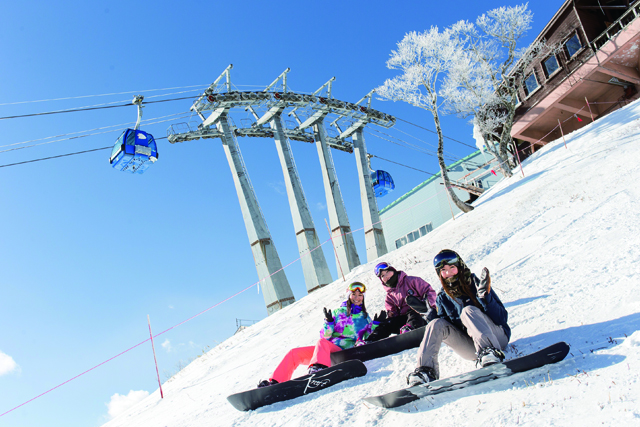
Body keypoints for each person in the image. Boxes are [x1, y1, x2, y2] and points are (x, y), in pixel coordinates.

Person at [406, 249, 511, 386]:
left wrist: (486, 298)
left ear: (459, 267)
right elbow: (446, 329)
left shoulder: (475, 284)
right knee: (436, 323)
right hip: (472, 348)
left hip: (497, 339)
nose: (448, 273)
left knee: (468, 311)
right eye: (443, 270)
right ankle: (425, 371)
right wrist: (431, 316)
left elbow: (502, 319)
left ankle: (490, 352)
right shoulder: (443, 297)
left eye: (452, 267)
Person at [257, 282, 381, 388]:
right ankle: (275, 382)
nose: (357, 298)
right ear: (349, 296)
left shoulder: (364, 318)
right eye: (354, 294)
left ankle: (319, 369)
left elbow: (368, 337)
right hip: (326, 352)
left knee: (321, 343)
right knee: (294, 353)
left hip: (344, 352)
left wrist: (375, 324)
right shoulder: (338, 312)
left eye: (360, 295)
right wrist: (329, 322)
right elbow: (325, 336)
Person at [364, 262, 437, 343]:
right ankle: (370, 340)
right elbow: (395, 314)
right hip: (406, 321)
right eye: (383, 276)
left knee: (412, 310)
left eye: (387, 272)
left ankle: (410, 329)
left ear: (393, 271)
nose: (386, 276)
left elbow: (430, 292)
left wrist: (426, 305)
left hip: (424, 316)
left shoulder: (412, 281)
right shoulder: (389, 296)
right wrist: (391, 315)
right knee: (388, 323)